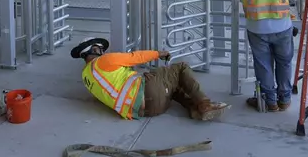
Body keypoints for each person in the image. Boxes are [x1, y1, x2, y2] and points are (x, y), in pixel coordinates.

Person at [228, 0, 302, 112]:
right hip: (282, 25)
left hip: (256, 26)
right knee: (284, 62)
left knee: (263, 65)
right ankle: (284, 100)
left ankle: (270, 101)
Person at [71, 37, 230, 121]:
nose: (103, 51)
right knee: (181, 68)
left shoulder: (86, 76)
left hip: (146, 111)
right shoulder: (104, 61)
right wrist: (158, 53)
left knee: (171, 84)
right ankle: (204, 104)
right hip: (148, 90)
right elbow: (135, 57)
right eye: (100, 48)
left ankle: (194, 109)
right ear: (94, 49)